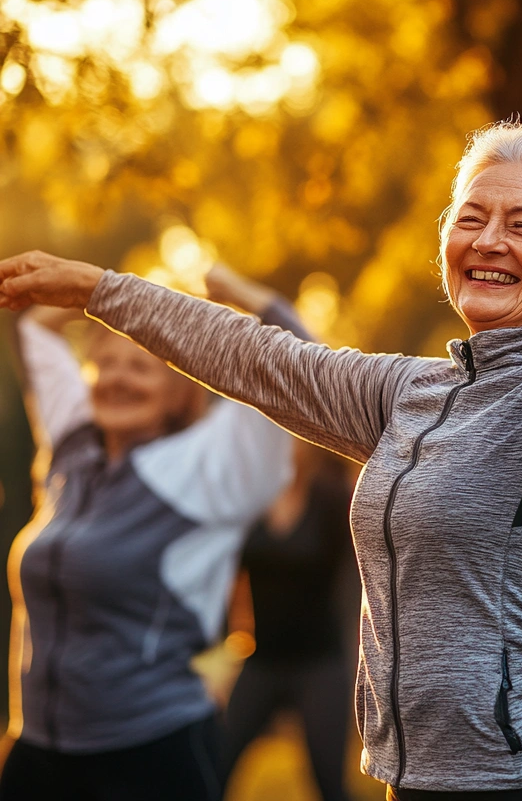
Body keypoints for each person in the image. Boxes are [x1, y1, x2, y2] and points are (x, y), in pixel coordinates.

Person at [0, 122, 522, 801]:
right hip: (422, 782)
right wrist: (98, 290)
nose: (488, 240)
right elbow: (261, 357)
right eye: (471, 218)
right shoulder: (414, 393)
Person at [0, 266, 311, 801]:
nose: (118, 378)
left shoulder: (207, 469)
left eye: (141, 365)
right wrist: (98, 289)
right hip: (36, 751)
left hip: (147, 755)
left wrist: (242, 295)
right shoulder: (74, 449)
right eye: (106, 363)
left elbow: (297, 371)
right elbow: (35, 330)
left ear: (181, 388)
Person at [223, 439, 358, 801]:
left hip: (320, 663)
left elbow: (357, 583)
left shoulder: (332, 498)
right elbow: (227, 578)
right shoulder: (249, 503)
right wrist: (228, 642)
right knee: (213, 769)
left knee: (330, 786)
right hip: (262, 661)